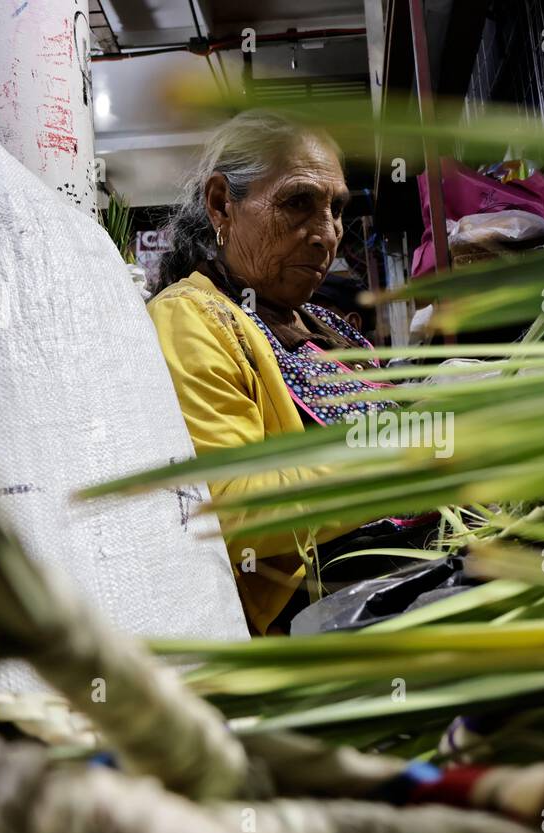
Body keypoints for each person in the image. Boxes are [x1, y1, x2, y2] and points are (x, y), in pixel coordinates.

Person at [149, 110, 399, 634]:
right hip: (325, 602)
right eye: (299, 203)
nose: (327, 235)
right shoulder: (193, 316)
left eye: (336, 209)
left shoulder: (327, 325)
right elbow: (237, 508)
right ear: (222, 205)